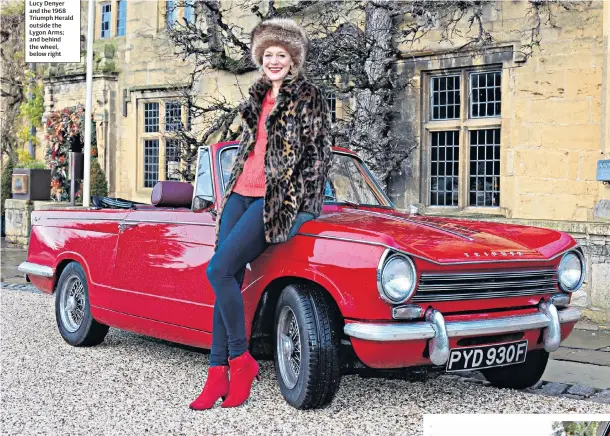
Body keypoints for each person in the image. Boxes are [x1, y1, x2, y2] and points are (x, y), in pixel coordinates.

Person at [189, 18, 333, 410]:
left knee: (217, 271)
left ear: (293, 60)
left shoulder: (309, 97)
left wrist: (301, 203)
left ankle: (240, 359)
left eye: (281, 55)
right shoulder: (255, 95)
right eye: (267, 54)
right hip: (238, 192)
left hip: (273, 198)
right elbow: (250, 148)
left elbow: (318, 154)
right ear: (260, 58)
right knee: (226, 277)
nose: (273, 61)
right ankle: (217, 374)